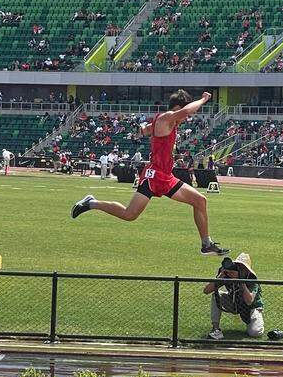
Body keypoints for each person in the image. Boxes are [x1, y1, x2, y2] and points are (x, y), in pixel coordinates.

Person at [71, 90, 230, 256]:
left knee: (200, 201)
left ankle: (206, 244)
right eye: (183, 114)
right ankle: (91, 203)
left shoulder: (166, 123)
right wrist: (204, 99)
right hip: (154, 176)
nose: (186, 119)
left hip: (166, 176)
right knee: (129, 214)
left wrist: (142, 131)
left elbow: (145, 130)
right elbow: (186, 111)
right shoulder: (167, 117)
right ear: (176, 108)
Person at [203, 253, 264, 340]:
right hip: (234, 302)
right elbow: (206, 291)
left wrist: (241, 281)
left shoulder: (251, 278)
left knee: (255, 332)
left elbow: (249, 301)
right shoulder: (227, 275)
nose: (238, 268)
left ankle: (253, 322)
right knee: (216, 295)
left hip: (251, 308)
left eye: (242, 267)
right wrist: (220, 278)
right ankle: (216, 329)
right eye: (237, 266)